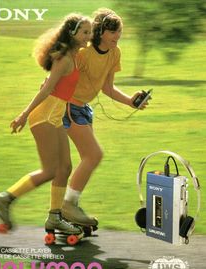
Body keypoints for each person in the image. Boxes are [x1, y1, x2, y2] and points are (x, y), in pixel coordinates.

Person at [0, 14, 92, 235]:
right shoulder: (64, 59)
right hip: (43, 116)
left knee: (65, 168)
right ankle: (3, 199)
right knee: (51, 170)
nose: (89, 36)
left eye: (90, 32)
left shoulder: (74, 54)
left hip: (56, 115)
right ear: (73, 34)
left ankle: (54, 217)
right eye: (85, 32)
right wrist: (23, 115)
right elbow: (46, 89)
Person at [48, 8, 148, 228]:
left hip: (84, 109)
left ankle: (66, 208)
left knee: (89, 157)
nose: (117, 37)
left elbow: (107, 88)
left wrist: (131, 101)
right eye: (114, 33)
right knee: (94, 155)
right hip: (68, 107)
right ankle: (68, 206)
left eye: (119, 33)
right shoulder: (83, 53)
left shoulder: (115, 53)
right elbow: (61, 71)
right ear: (101, 31)